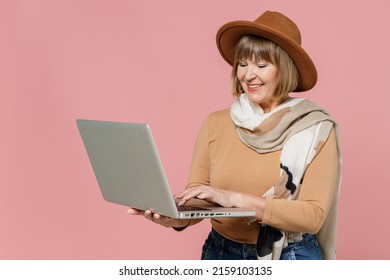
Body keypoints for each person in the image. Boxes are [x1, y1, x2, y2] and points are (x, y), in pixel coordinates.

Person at [127, 10, 342, 260]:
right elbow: (198, 197)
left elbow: (313, 216)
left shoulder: (315, 128)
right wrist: (175, 216)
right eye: (242, 63)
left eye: (261, 65)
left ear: (285, 69)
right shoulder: (215, 123)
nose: (248, 75)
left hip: (290, 255)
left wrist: (235, 199)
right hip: (220, 252)